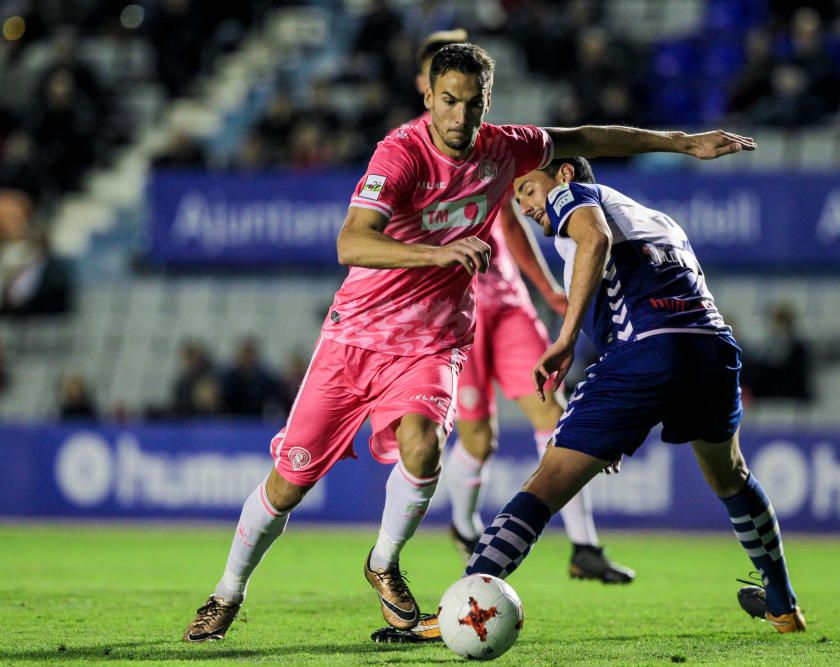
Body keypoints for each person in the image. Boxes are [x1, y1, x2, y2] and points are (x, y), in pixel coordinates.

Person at [182, 42, 756, 643]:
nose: (459, 117)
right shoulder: (399, 153)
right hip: (354, 338)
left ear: (488, 103)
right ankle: (228, 591)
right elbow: (350, 243)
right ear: (427, 96)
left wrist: (683, 143)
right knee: (287, 485)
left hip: (433, 341)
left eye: (472, 104)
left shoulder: (507, 147)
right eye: (447, 101)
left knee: (425, 446)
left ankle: (382, 563)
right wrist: (439, 253)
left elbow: (588, 136)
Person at [461, 156, 806, 634]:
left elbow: (594, 239)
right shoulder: (660, 221)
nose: (523, 204)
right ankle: (782, 602)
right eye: (516, 197)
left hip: (647, 351)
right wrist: (619, 418)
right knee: (731, 475)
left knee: (547, 481)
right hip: (712, 350)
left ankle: (463, 605)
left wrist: (566, 338)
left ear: (562, 175)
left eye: (529, 189)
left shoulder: (576, 196)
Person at [410, 30, 635, 586]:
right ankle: (464, 523)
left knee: (551, 413)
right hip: (453, 313)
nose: (460, 104)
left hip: (506, 303)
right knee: (478, 441)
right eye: (444, 88)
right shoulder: (408, 154)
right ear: (426, 88)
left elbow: (510, 223)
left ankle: (584, 545)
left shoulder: (493, 149)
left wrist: (544, 288)